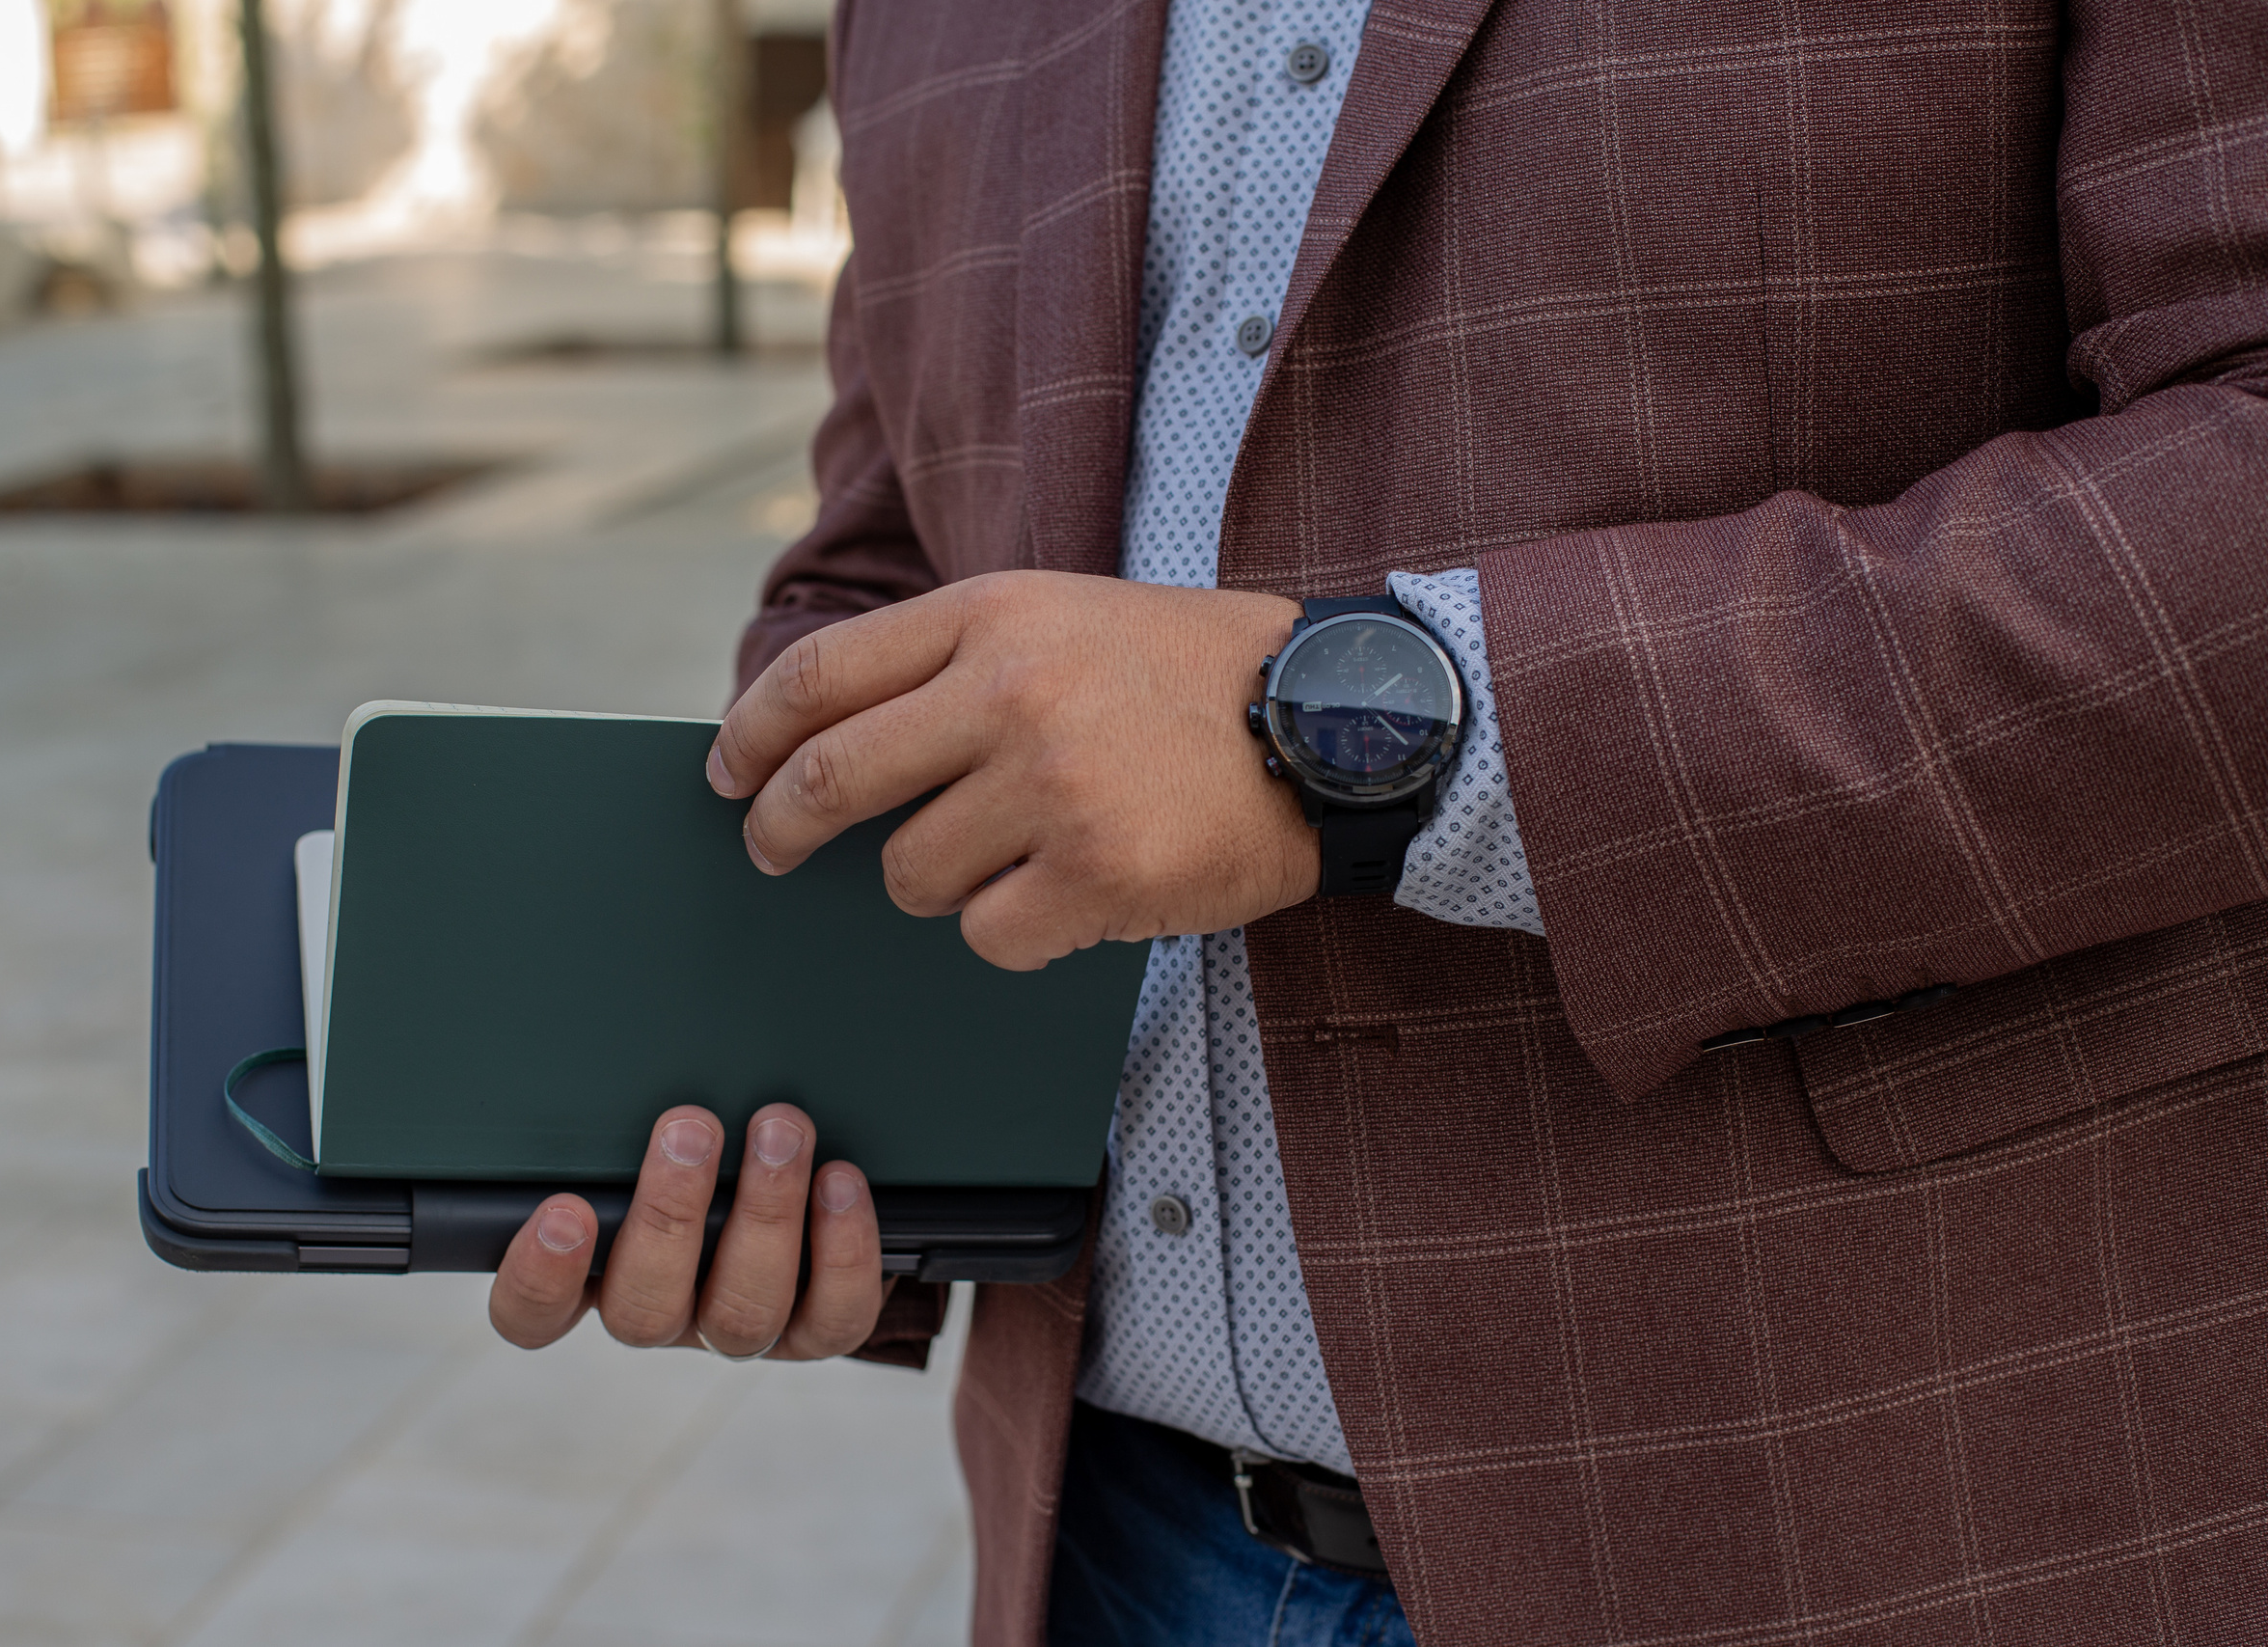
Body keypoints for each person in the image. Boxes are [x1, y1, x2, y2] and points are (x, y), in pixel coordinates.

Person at [488, 0, 2268, 1641]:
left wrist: (1362, 734)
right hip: (1114, 1541)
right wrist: (801, 1117)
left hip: (1876, 1500)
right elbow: (887, 562)